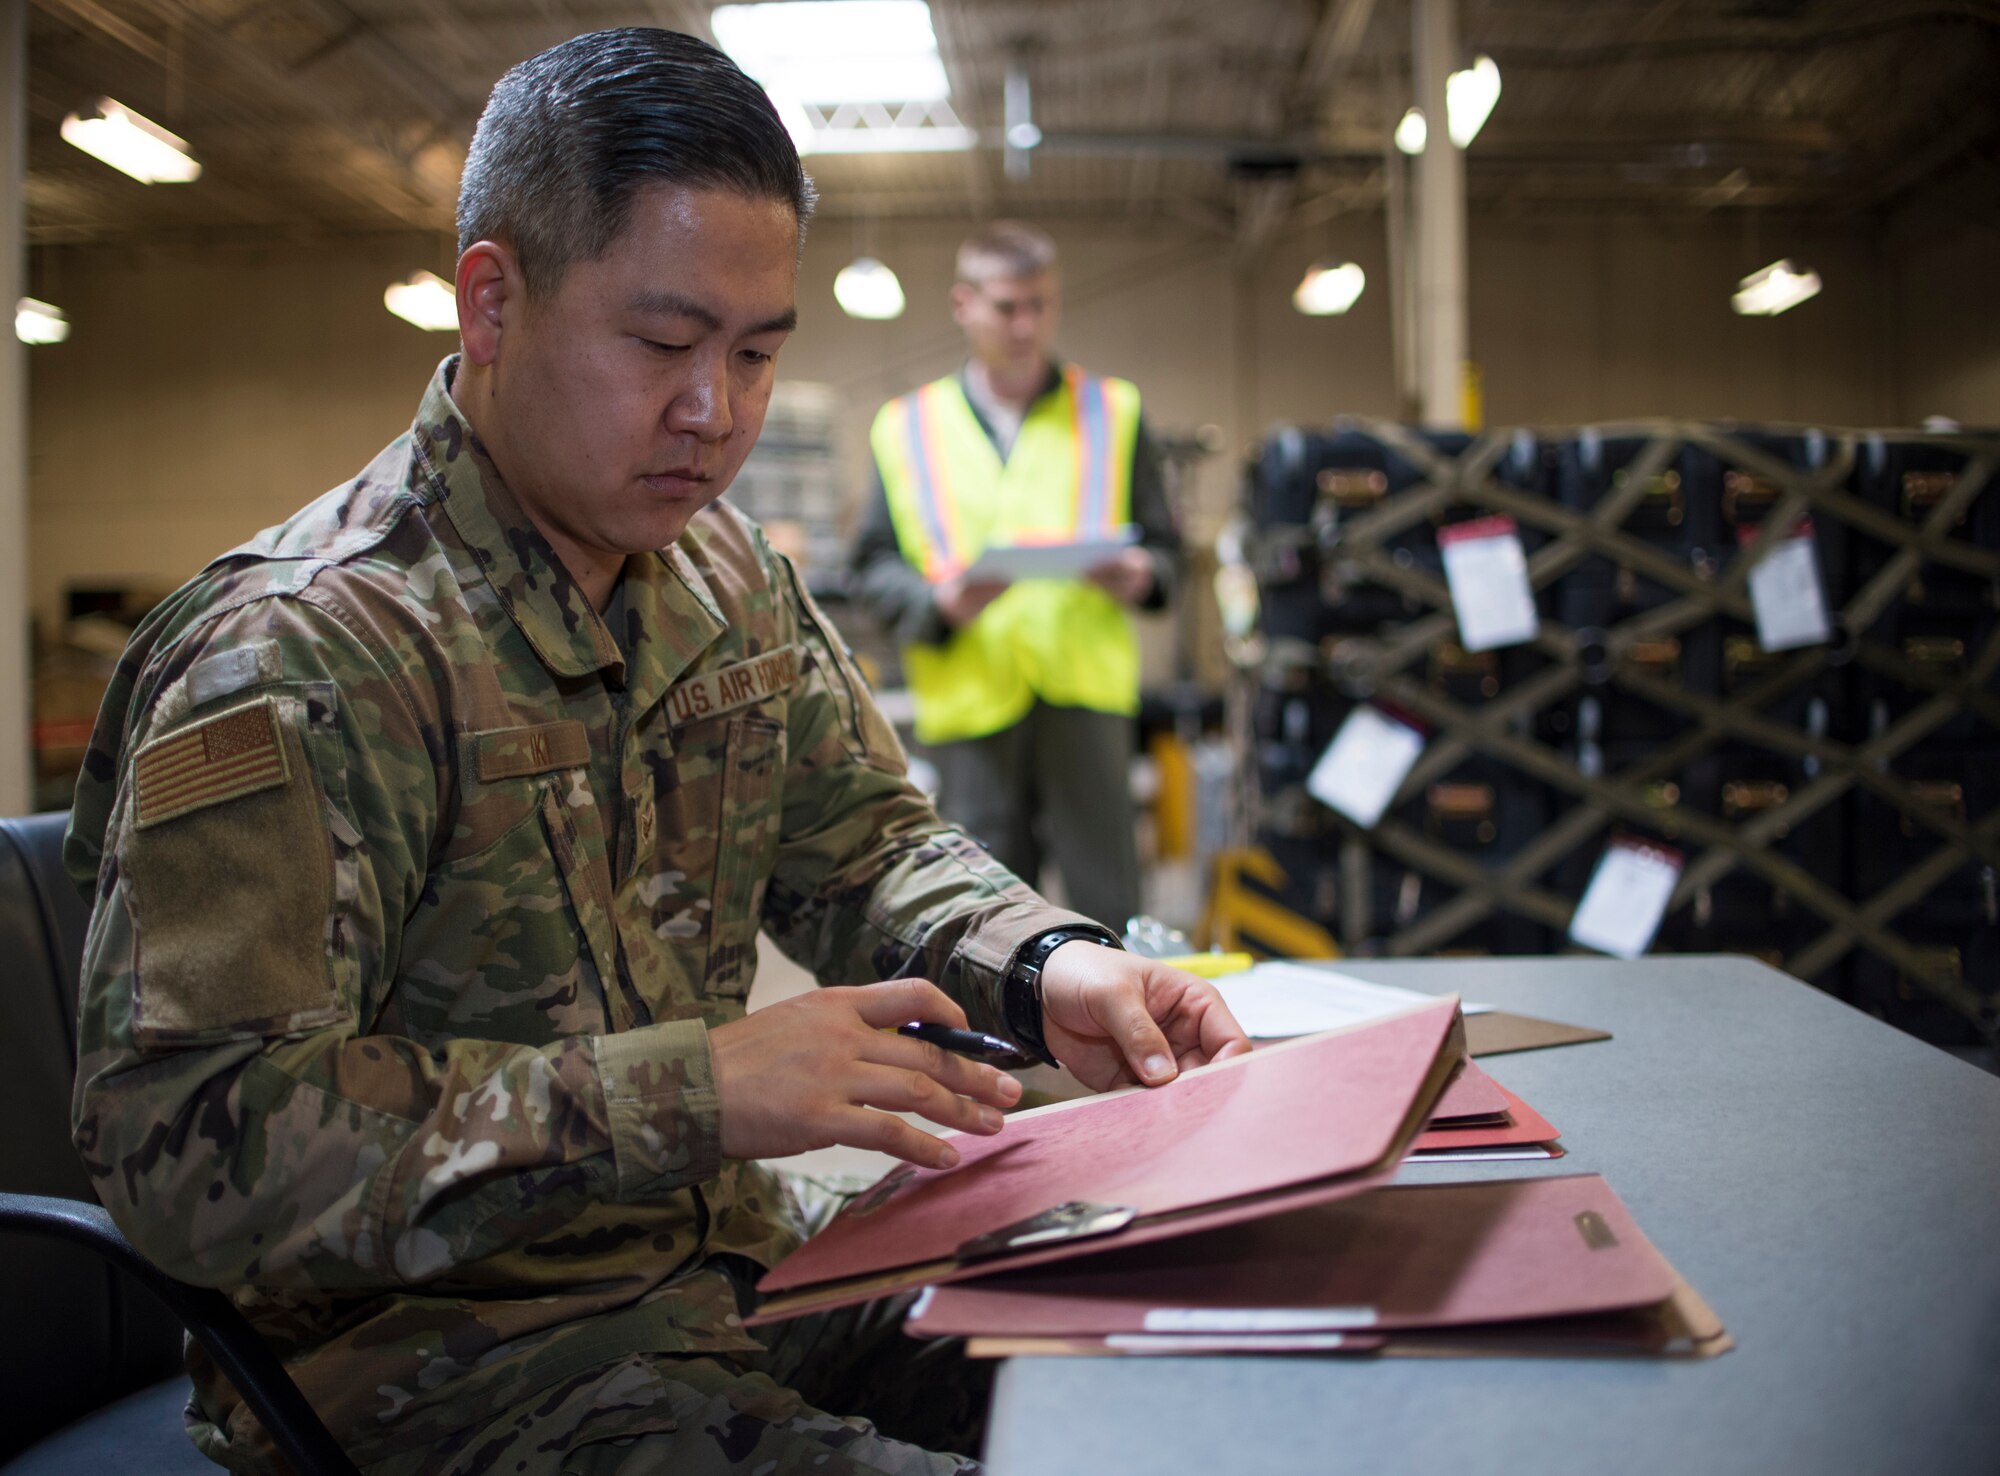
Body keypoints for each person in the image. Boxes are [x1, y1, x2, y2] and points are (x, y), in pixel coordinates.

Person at [64, 29, 1248, 1476]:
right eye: (666, 345)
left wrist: (1045, 961)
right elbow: (187, 1147)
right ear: (491, 303)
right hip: (441, 1363)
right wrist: (701, 1088)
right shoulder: (302, 656)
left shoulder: (722, 578)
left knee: (1188, 1358)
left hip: (728, 1272)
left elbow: (866, 847)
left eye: (757, 354)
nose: (718, 413)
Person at [847, 224, 1178, 932]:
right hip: (971, 702)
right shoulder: (905, 426)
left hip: (1083, 694)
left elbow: (1169, 549)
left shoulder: (1113, 410)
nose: (1026, 325)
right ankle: (993, 1049)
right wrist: (937, 600)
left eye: (1041, 304)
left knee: (1108, 905)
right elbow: (871, 565)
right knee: (987, 920)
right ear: (964, 304)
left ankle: (1121, 1039)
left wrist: (1145, 573)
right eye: (1006, 306)